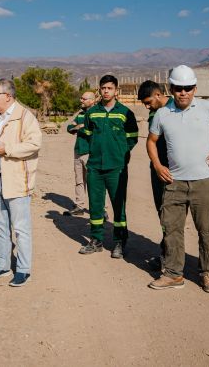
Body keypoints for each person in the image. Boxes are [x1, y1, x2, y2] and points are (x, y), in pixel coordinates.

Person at [147, 65, 209, 293]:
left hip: (204, 182)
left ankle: (207, 273)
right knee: (172, 229)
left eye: (188, 88)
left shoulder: (208, 108)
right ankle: (173, 274)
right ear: (171, 88)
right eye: (178, 88)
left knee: (206, 229)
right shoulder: (162, 113)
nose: (183, 93)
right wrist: (158, 166)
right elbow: (150, 141)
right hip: (173, 182)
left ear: (195, 88)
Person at [0, 79, 41, 287]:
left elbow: (34, 144)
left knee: (21, 228)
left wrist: (8, 149)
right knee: (0, 226)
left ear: (8, 96)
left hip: (16, 180)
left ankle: (23, 270)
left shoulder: (24, 116)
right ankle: (2, 265)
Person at [77, 75, 139, 259]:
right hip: (95, 167)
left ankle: (119, 242)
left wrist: (121, 154)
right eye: (103, 88)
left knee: (118, 205)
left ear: (116, 91)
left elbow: (132, 137)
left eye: (109, 88)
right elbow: (87, 134)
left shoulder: (125, 112)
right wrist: (90, 154)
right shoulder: (92, 112)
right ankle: (96, 240)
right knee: (95, 206)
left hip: (117, 167)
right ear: (99, 90)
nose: (106, 91)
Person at [137, 80, 172, 271]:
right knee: (163, 214)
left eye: (149, 102)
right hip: (158, 169)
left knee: (173, 216)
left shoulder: (177, 107)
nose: (147, 106)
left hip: (175, 169)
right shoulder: (154, 113)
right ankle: (167, 253)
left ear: (158, 94)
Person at [64, 91, 95, 217]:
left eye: (84, 98)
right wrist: (80, 126)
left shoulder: (97, 114)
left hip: (91, 153)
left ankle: (100, 209)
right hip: (78, 151)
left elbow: (94, 130)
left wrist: (80, 127)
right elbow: (69, 128)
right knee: (79, 180)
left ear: (92, 100)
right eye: (81, 98)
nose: (81, 100)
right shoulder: (81, 114)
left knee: (94, 182)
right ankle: (79, 206)